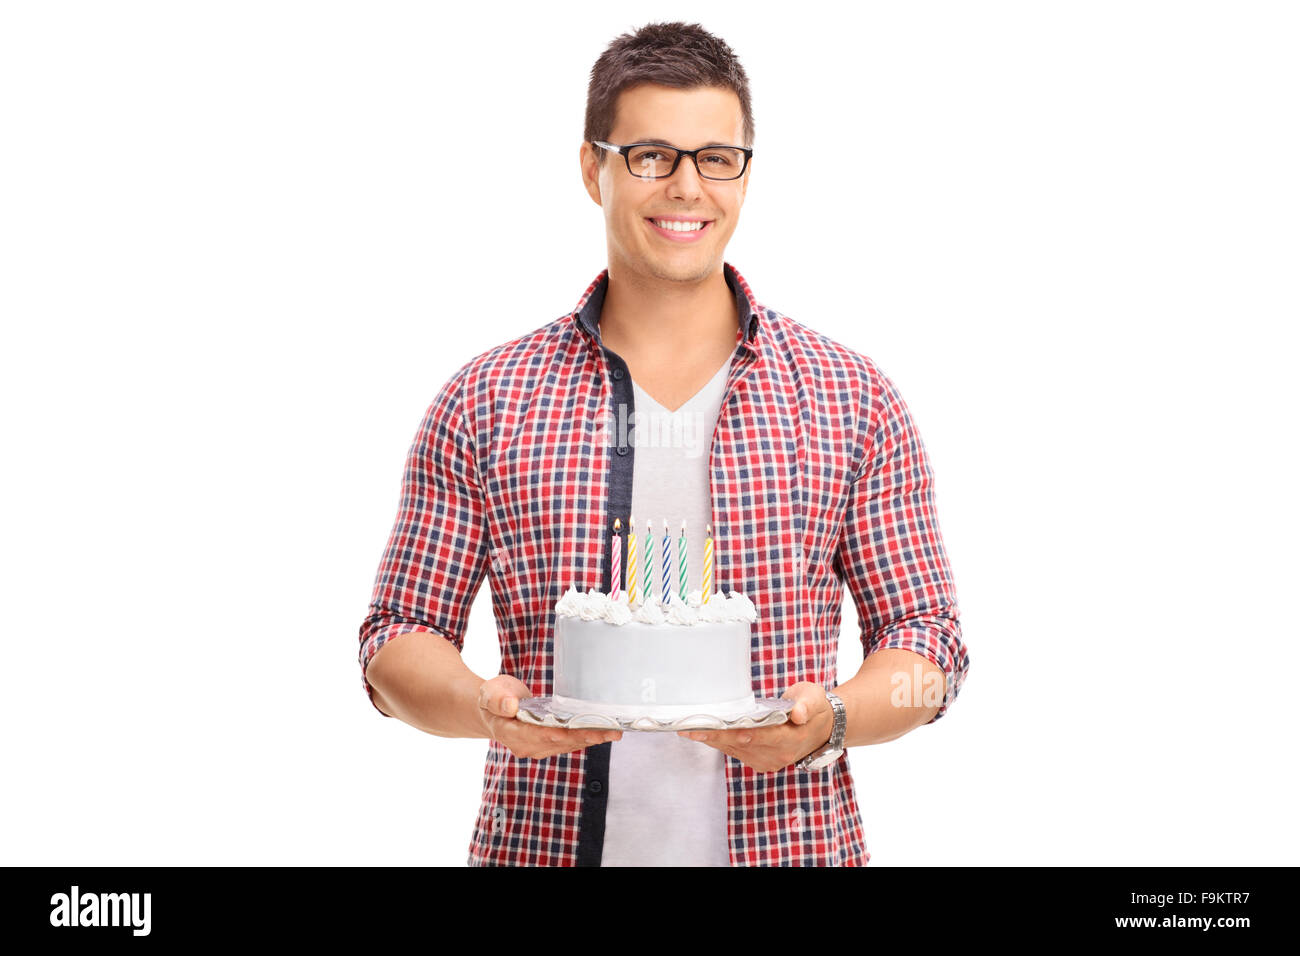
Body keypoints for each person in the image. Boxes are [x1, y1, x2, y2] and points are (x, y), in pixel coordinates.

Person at [358, 20, 971, 867]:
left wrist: (829, 721)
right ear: (592, 168)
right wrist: (480, 706)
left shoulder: (851, 398)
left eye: (717, 158)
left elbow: (929, 642)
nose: (687, 188)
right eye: (650, 155)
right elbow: (397, 634)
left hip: (791, 848)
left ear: (746, 175)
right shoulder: (487, 400)